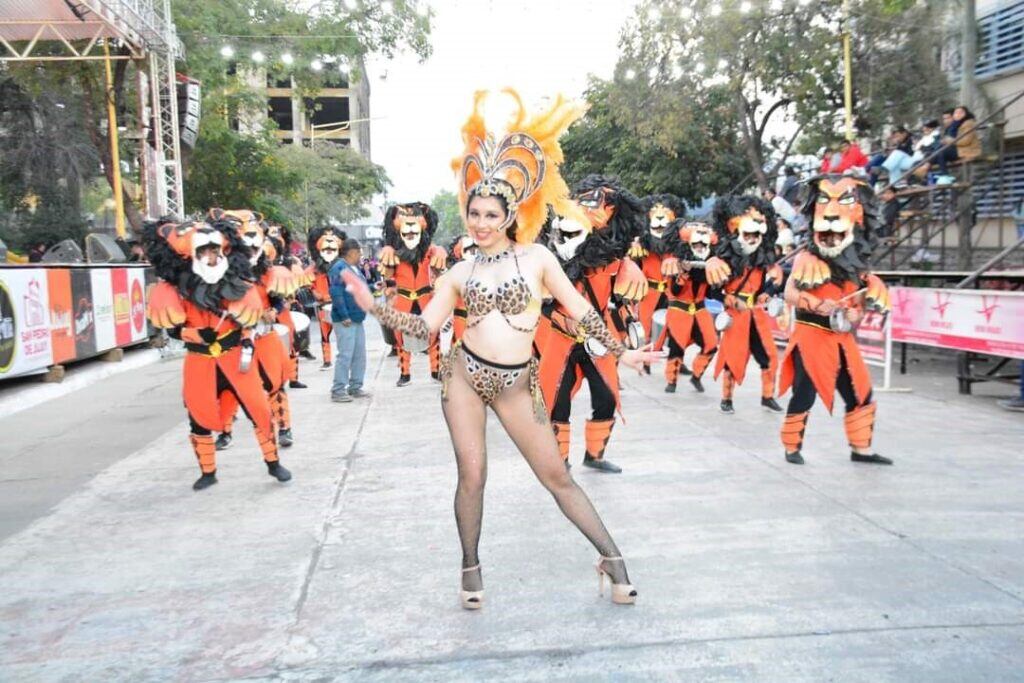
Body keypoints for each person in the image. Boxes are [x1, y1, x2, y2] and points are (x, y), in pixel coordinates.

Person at [342, 90, 661, 608]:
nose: (481, 222)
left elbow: (580, 309)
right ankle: (471, 567)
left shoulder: (538, 258)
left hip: (517, 384)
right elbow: (424, 328)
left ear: (510, 214)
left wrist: (618, 352)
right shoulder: (459, 271)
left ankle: (612, 558)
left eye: (491, 213)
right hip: (464, 378)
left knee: (556, 475)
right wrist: (373, 305)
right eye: (474, 213)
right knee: (473, 475)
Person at [143, 217, 292, 490]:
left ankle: (273, 463)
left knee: (258, 411)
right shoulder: (177, 291)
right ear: (192, 256)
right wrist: (195, 335)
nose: (211, 257)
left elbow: (248, 321)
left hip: (234, 358)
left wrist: (246, 338)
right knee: (198, 418)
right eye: (205, 252)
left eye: (215, 251)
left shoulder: (237, 285)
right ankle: (208, 472)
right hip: (200, 362)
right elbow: (175, 331)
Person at [778, 175, 892, 466]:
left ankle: (861, 450)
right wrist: (815, 304)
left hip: (842, 340)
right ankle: (792, 447)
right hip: (811, 337)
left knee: (860, 392)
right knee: (804, 393)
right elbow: (789, 291)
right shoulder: (806, 257)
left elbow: (857, 305)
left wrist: (856, 313)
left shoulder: (858, 266)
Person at [704, 195, 785, 415]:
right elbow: (711, 290)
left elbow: (772, 284)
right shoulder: (725, 257)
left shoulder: (763, 256)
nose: (751, 238)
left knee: (768, 358)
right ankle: (726, 399)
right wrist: (728, 299)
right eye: (747, 233)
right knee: (732, 359)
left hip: (756, 317)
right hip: (735, 317)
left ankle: (768, 397)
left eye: (755, 234)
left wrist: (766, 294)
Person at [329, 238, 371, 403]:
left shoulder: (355, 269)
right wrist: (344, 315)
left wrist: (374, 287)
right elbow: (336, 293)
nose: (361, 254)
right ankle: (338, 389)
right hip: (345, 320)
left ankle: (355, 386)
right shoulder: (339, 268)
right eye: (359, 251)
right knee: (345, 355)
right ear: (352, 252)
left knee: (359, 354)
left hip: (357, 318)